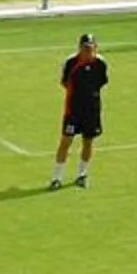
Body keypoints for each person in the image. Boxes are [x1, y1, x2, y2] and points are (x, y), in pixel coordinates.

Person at [49, 32, 108, 192]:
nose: (88, 51)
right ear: (79, 48)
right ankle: (57, 177)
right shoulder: (70, 63)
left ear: (95, 48)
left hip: (92, 110)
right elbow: (64, 82)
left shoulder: (101, 64)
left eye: (91, 48)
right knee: (66, 141)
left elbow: (102, 82)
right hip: (73, 111)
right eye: (85, 48)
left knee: (88, 142)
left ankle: (82, 174)